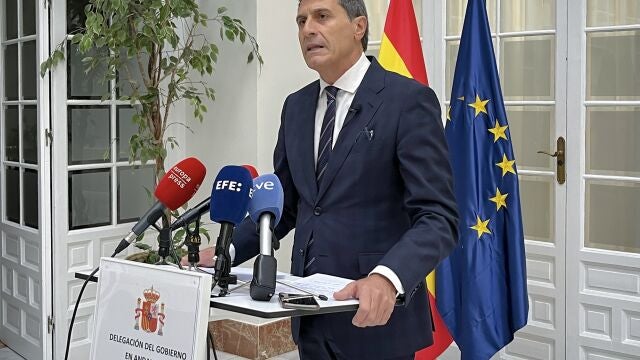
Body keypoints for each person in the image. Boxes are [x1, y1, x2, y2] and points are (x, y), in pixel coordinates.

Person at [189, 0, 458, 358]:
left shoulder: (407, 101)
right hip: (309, 318)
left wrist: (387, 277)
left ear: (358, 27)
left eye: (322, 17)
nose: (307, 29)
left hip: (376, 324)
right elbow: (282, 207)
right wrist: (227, 250)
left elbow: (439, 218)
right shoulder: (296, 106)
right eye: (301, 20)